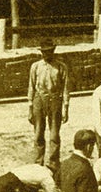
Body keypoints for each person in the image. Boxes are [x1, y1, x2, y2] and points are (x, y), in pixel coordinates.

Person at [27, 38, 70, 171]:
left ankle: (53, 164)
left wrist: (66, 108)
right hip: (39, 100)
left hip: (55, 100)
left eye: (49, 51)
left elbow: (66, 89)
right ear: (41, 53)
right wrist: (30, 108)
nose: (47, 54)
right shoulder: (36, 66)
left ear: (53, 51)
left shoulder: (61, 67)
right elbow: (31, 86)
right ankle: (38, 163)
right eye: (44, 52)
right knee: (39, 133)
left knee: (54, 135)